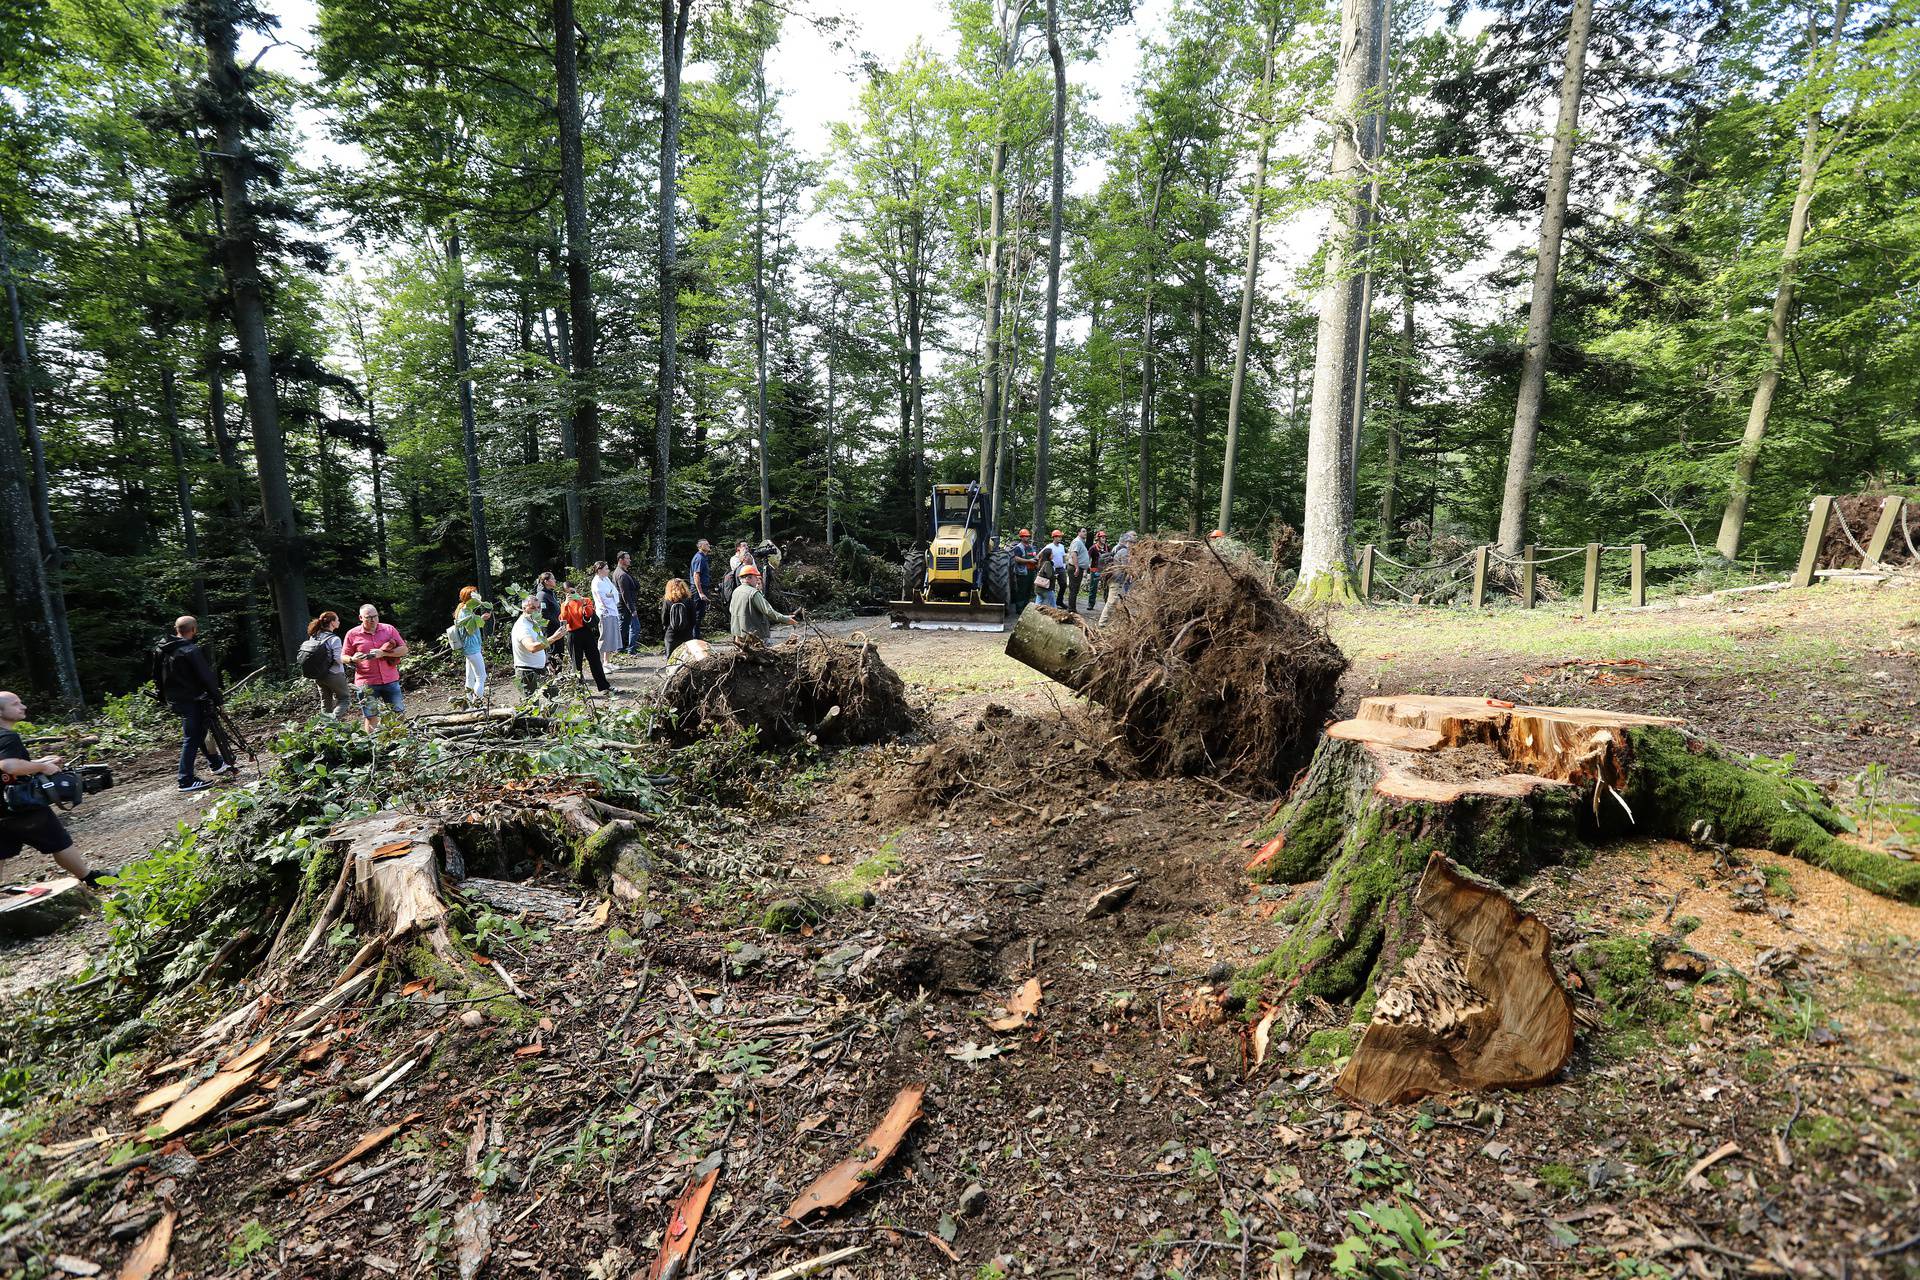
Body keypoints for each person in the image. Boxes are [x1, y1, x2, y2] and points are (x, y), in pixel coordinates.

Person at [0, 691, 105, 885]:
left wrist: (39, 761)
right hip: (20, 805)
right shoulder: (7, 736)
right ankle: (89, 878)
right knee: (60, 842)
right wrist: (42, 767)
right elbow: (9, 766)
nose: (22, 707)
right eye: (15, 704)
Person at [153, 616, 237, 793]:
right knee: (192, 737)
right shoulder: (190, 650)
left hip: (175, 700)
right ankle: (185, 780)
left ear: (176, 629)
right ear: (194, 630)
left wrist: (163, 697)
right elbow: (206, 678)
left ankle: (216, 764)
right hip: (192, 700)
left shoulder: (161, 649)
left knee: (200, 732)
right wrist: (218, 700)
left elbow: (156, 676)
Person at [341, 603, 408, 724]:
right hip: (366, 683)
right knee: (371, 717)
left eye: (375, 616)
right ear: (361, 618)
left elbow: (404, 650)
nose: (373, 620)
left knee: (399, 713)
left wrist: (383, 653)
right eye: (368, 617)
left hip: (390, 680)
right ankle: (372, 742)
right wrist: (352, 659)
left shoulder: (389, 629)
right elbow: (342, 657)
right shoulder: (352, 634)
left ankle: (399, 740)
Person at [559, 581, 613, 694]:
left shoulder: (586, 600)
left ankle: (604, 687)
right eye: (568, 593)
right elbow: (564, 620)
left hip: (586, 632)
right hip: (573, 634)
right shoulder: (564, 605)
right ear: (565, 593)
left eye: (572, 591)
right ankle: (580, 691)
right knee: (576, 663)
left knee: (595, 660)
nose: (571, 594)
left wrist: (582, 602)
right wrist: (566, 604)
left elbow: (589, 615)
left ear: (576, 589)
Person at [729, 564, 799, 644]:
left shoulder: (736, 591)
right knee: (770, 654)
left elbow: (731, 610)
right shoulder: (753, 593)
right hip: (754, 635)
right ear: (748, 578)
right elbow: (768, 611)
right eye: (755, 577)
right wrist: (786, 619)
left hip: (738, 634)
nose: (757, 579)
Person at [511, 596, 564, 698]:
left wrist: (547, 662)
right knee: (531, 708)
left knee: (556, 701)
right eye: (532, 608)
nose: (537, 610)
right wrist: (554, 638)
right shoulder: (522, 626)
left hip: (540, 669)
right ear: (524, 608)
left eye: (538, 607)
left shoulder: (534, 623)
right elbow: (532, 648)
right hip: (526, 673)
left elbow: (539, 644)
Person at [302, 611, 351, 717]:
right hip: (334, 674)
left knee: (325, 701)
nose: (339, 622)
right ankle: (331, 723)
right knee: (344, 699)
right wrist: (351, 660)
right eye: (337, 620)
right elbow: (338, 659)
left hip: (318, 675)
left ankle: (325, 727)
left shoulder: (314, 636)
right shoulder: (334, 639)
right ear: (332, 623)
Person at [453, 587, 491, 705]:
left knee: (470, 677)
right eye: (475, 595)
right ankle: (476, 703)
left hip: (470, 648)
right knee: (481, 676)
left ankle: (468, 703)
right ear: (470, 598)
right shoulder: (465, 611)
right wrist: (481, 619)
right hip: (472, 648)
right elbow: (468, 629)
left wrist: (478, 619)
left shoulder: (465, 610)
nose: (478, 596)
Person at [1100, 531, 1136, 624]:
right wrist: (1132, 574)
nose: (1133, 544)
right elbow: (1126, 567)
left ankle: (1115, 621)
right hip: (1116, 580)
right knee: (1111, 602)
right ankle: (1102, 623)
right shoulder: (1124, 551)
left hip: (1117, 579)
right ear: (1127, 542)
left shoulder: (1120, 549)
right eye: (1131, 542)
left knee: (1118, 601)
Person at [591, 561, 622, 664]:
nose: (608, 571)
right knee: (604, 638)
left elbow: (615, 591)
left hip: (612, 611)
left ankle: (607, 662)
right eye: (606, 569)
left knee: (611, 638)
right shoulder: (597, 582)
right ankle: (599, 663)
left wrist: (611, 594)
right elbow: (603, 598)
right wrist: (610, 595)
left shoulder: (606, 579)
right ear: (599, 570)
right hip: (605, 612)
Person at [614, 552, 643, 654]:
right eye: (627, 558)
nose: (629, 560)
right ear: (621, 560)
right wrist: (632, 609)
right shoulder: (621, 575)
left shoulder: (623, 572)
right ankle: (630, 649)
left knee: (624, 627)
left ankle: (621, 648)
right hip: (625, 605)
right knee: (634, 627)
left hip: (625, 605)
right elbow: (624, 594)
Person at [661, 578, 696, 657]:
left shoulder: (667, 602)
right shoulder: (689, 601)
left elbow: (664, 619)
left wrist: (667, 628)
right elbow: (693, 619)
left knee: (670, 659)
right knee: (687, 659)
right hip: (686, 635)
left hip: (671, 635)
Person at [689, 539, 715, 638]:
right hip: (697, 589)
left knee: (700, 613)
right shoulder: (699, 558)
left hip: (702, 588)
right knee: (697, 614)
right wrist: (700, 593)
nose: (709, 545)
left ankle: (696, 636)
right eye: (707, 544)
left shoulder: (704, 557)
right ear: (700, 546)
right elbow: (696, 576)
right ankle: (694, 638)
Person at [1007, 528, 1037, 615]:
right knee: (1021, 591)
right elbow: (1016, 558)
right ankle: (1019, 609)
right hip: (1022, 572)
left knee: (1028, 590)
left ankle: (1026, 607)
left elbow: (1035, 556)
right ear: (1021, 537)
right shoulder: (1018, 548)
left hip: (1031, 571)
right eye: (1025, 536)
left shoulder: (1031, 547)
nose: (1027, 538)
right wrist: (1029, 561)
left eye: (1028, 536)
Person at [1066, 528, 1092, 615]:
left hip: (1078, 568)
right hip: (1074, 568)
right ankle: (1071, 610)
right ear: (1078, 532)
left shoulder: (1081, 542)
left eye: (1086, 532)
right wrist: (1077, 567)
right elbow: (1074, 554)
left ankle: (1072, 608)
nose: (1085, 533)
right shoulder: (1077, 541)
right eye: (1083, 531)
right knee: (1073, 589)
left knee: (1075, 589)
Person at [1088, 531, 1110, 609]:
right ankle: (1091, 604)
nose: (1104, 539)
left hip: (1105, 570)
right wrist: (1087, 569)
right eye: (1102, 538)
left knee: (1106, 587)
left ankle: (1107, 603)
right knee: (1093, 587)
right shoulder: (1093, 548)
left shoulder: (1107, 548)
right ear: (1098, 538)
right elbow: (1088, 559)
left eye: (1105, 538)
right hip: (1095, 569)